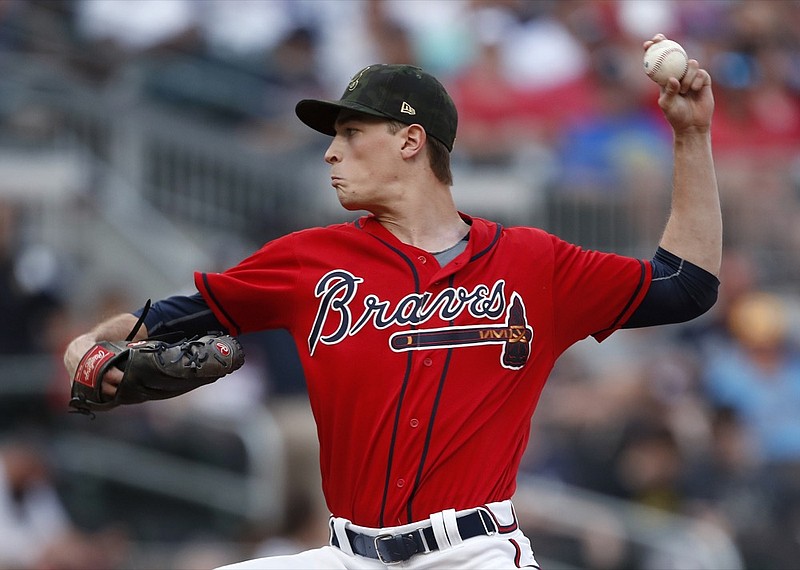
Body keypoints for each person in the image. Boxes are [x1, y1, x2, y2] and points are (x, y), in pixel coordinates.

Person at [63, 34, 721, 569]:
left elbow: (684, 285)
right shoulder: (308, 261)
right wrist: (87, 351)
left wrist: (691, 139)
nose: (329, 152)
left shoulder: (534, 264)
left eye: (350, 133)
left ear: (409, 140)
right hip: (348, 555)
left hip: (472, 553)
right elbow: (161, 318)